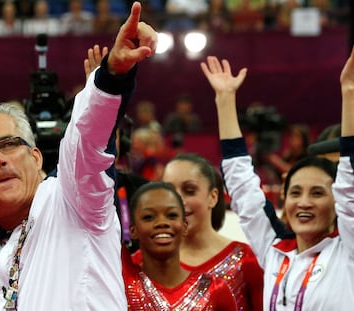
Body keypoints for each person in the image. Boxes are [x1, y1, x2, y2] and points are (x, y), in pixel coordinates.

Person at [0, 2, 157, 310]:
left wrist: (112, 75)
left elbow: (85, 142)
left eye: (9, 144)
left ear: (37, 157)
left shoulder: (72, 201)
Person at [201, 45, 354, 310]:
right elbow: (243, 189)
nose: (303, 202)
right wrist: (225, 101)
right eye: (295, 192)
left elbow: (349, 188)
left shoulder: (346, 252)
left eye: (317, 193)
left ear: (336, 203)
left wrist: (350, 94)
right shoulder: (274, 249)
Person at [131, 152, 264, 310]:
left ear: (213, 197)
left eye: (189, 190)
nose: (177, 200)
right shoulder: (138, 263)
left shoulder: (244, 261)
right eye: (170, 191)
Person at [123, 181, 238, 310]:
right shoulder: (122, 284)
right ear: (133, 230)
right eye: (149, 217)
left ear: (184, 227)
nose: (162, 223)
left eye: (171, 215)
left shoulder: (215, 290)